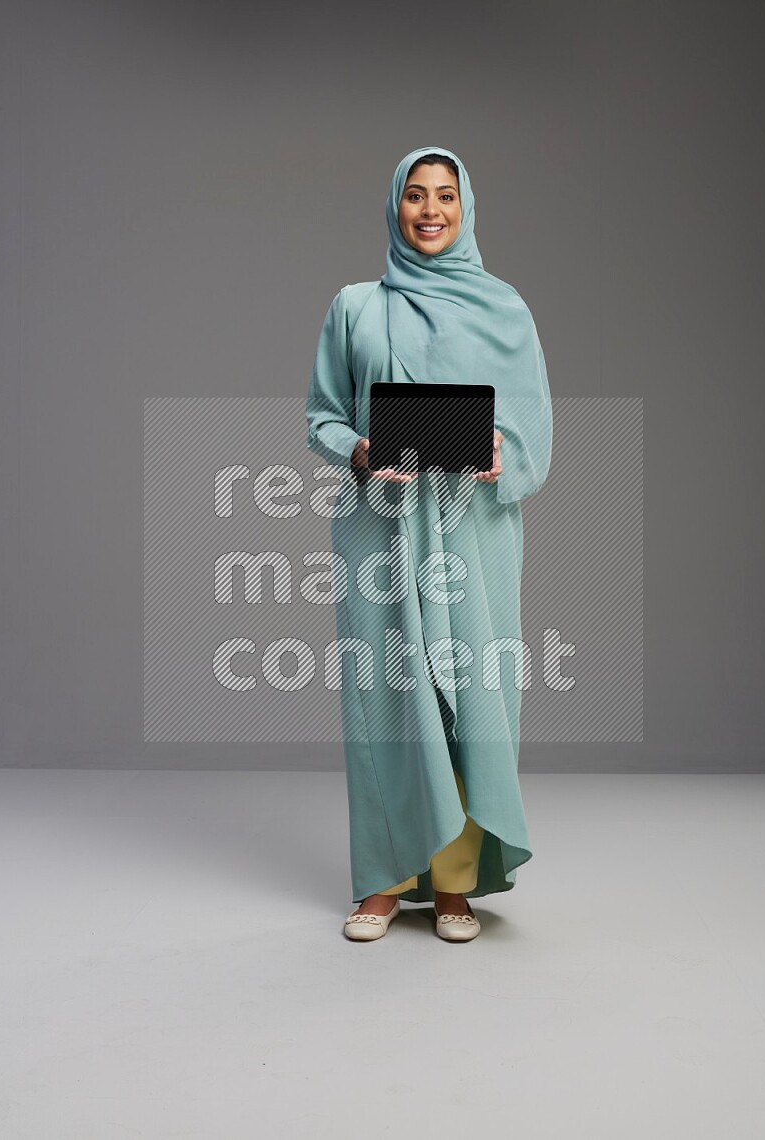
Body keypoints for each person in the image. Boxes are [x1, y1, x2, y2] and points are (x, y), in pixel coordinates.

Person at [304, 146, 553, 942]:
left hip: (472, 535)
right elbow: (321, 416)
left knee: (470, 703)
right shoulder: (354, 307)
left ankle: (453, 885)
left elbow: (533, 433)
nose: (430, 209)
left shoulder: (504, 309)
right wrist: (361, 450)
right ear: (394, 207)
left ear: (467, 206)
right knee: (384, 704)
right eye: (415, 195)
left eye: (446, 195)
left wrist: (495, 451)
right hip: (379, 527)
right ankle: (383, 879)